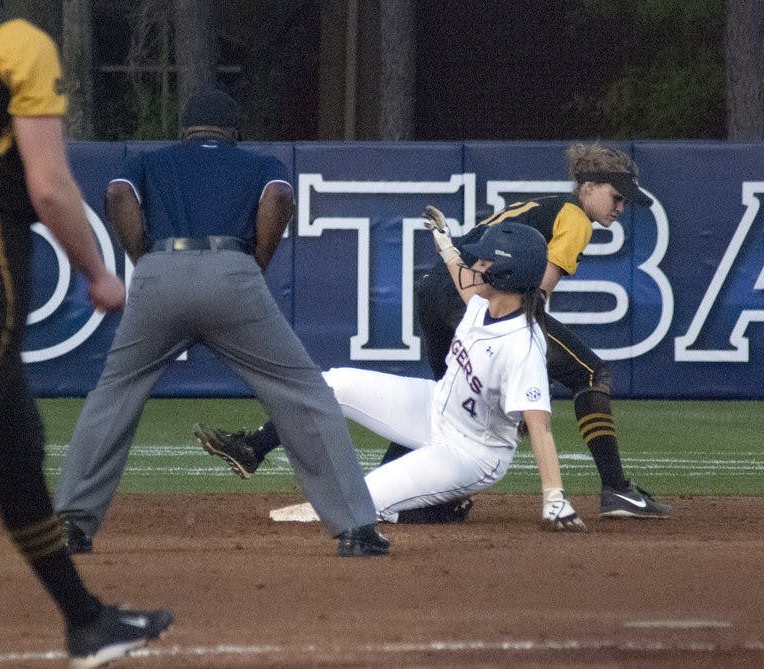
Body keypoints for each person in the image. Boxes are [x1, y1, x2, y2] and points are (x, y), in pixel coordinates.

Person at [196, 144, 671, 522]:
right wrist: (521, 367)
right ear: (589, 187)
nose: (621, 208)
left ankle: (259, 448)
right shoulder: (573, 217)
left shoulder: (544, 205)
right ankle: (614, 488)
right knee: (591, 371)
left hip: (438, 288)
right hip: (477, 292)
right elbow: (534, 297)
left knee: (447, 403)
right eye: (617, 196)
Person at [52, 87, 388, 558]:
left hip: (160, 270)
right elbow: (277, 200)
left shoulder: (151, 160)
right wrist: (256, 264)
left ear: (183, 130)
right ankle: (355, 529)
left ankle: (70, 523)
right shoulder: (260, 165)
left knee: (114, 394)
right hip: (232, 270)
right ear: (234, 133)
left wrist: (144, 260)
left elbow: (116, 194)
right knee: (304, 394)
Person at [0, 1, 172, 666]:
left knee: (19, 454)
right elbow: (49, 189)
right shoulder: (16, 42)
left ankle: (87, 620)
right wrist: (98, 272)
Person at [206, 210, 586, 531]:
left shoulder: (522, 344)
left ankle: (438, 508)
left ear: (507, 275)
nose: (475, 264)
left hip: (472, 453)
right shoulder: (485, 303)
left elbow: (540, 427)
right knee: (333, 383)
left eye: (485, 261)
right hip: (435, 409)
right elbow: (460, 276)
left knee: (358, 502)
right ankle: (254, 447)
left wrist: (554, 498)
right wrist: (445, 244)